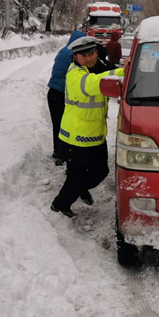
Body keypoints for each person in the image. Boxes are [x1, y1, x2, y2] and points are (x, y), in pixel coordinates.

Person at [51, 36, 113, 218]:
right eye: (83, 55)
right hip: (75, 137)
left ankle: (80, 189)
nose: (89, 58)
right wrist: (123, 73)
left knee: (101, 171)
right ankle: (59, 204)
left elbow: (109, 70)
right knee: (76, 177)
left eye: (92, 53)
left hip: (95, 134)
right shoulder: (74, 75)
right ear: (75, 57)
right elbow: (96, 83)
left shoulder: (98, 65)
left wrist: (126, 67)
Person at [47, 30, 86, 165]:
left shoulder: (64, 50)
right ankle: (62, 154)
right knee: (64, 126)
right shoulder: (72, 55)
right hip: (60, 93)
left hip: (54, 93)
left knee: (57, 124)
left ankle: (58, 152)